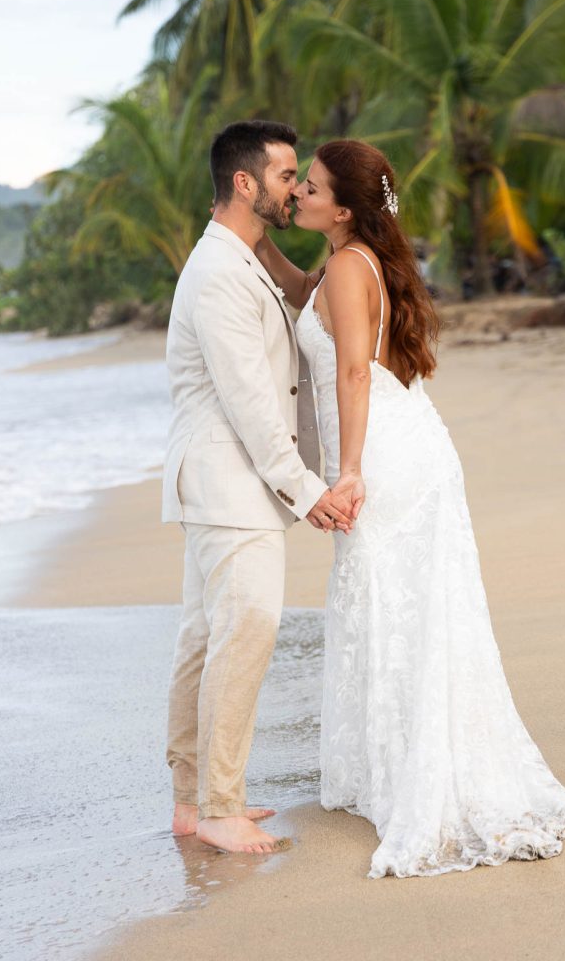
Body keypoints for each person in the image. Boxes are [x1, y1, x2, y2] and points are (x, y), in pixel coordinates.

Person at [256, 138, 565, 878]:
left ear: (345, 210)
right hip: (404, 441)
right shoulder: (343, 264)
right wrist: (247, 237)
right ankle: (394, 767)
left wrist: (345, 473)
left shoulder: (351, 268)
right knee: (397, 606)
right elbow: (300, 292)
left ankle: (423, 774)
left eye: (312, 189)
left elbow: (352, 369)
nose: (301, 196)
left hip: (385, 454)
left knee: (398, 605)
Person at [161, 120, 357, 856]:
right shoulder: (217, 275)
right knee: (247, 630)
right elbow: (250, 401)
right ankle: (218, 805)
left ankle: (192, 801)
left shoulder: (237, 257)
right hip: (227, 481)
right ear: (245, 183)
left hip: (222, 482)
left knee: (205, 637)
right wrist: (309, 492)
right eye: (284, 175)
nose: (293, 186)